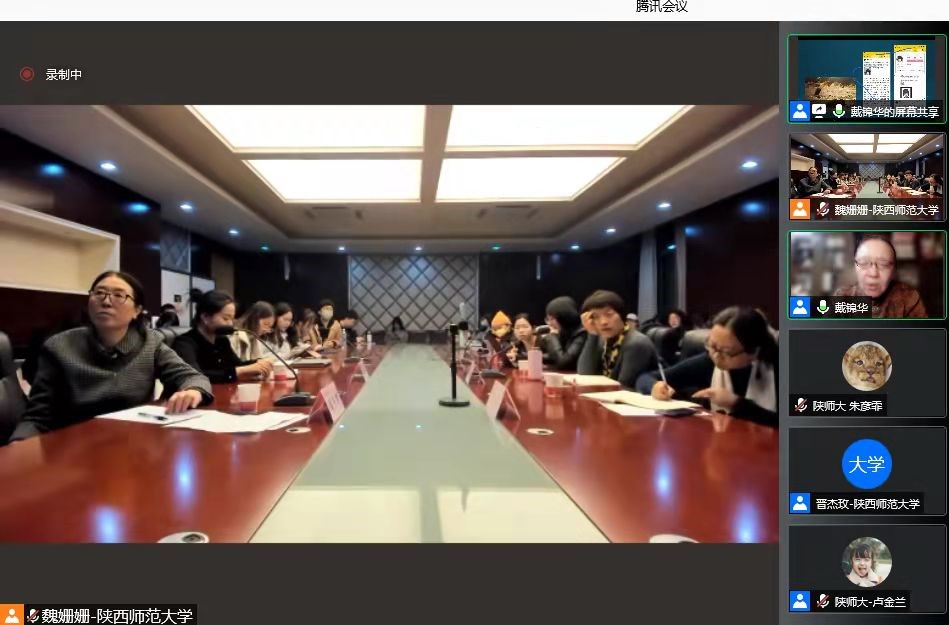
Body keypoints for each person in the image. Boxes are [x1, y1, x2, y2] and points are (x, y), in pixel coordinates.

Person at [9, 271, 213, 442]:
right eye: (99, 293)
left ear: (137, 311)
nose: (106, 301)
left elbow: (194, 377)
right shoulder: (59, 346)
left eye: (118, 295)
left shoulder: (150, 342)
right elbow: (38, 416)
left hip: (132, 444)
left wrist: (193, 391)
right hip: (73, 449)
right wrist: (18, 446)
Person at [637, 306, 777, 424]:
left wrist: (737, 403)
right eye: (712, 345)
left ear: (753, 351)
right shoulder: (710, 361)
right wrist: (654, 386)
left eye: (725, 351)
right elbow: (645, 377)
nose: (716, 356)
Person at [172, 290, 275, 383]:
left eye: (232, 319)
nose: (230, 324)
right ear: (205, 317)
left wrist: (259, 363)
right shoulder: (184, 343)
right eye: (226, 318)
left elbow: (237, 364)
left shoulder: (221, 340)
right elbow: (195, 376)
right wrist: (240, 371)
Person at [834, 235, 928, 318]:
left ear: (893, 270)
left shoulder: (908, 298)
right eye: (864, 263)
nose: (873, 273)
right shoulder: (842, 298)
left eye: (883, 264)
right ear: (855, 266)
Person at [576, 290, 657, 387]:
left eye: (609, 314)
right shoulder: (602, 340)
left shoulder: (637, 343)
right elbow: (585, 374)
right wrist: (592, 334)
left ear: (622, 315)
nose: (603, 322)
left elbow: (624, 387)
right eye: (595, 317)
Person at [539, 296, 587, 370]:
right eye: (548, 319)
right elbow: (556, 356)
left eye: (552, 319)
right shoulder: (565, 332)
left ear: (564, 317)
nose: (549, 323)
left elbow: (563, 363)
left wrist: (552, 337)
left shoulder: (582, 333)